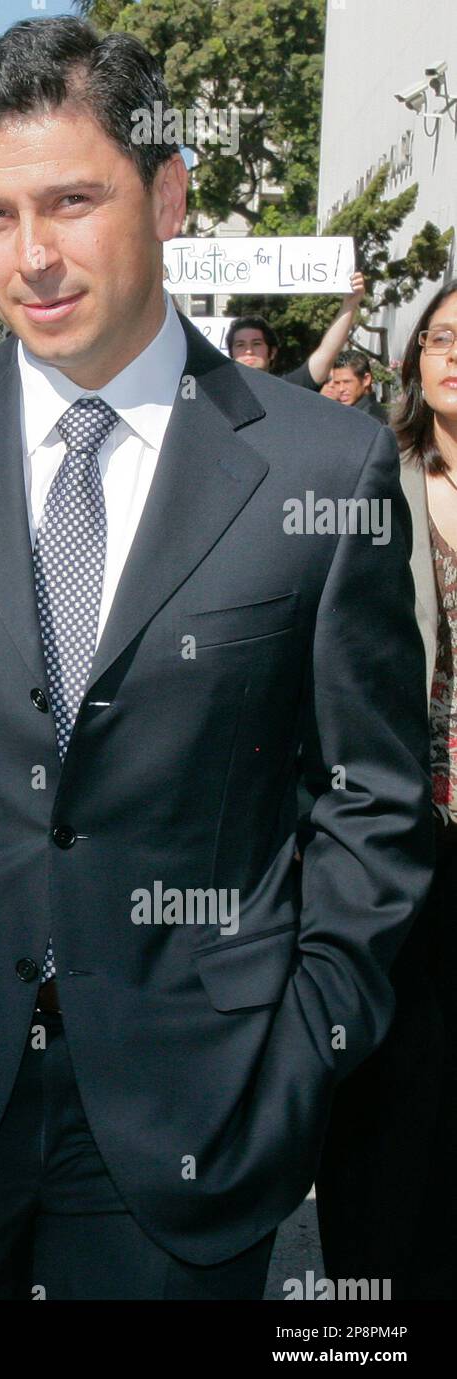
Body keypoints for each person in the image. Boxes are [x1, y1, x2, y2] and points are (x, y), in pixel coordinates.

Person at [0, 14, 434, 1300]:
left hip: (190, 1116)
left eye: (71, 201)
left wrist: (296, 1044)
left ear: (166, 194)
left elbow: (371, 802)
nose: (32, 256)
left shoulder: (316, 466)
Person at [316, 279, 457, 1299]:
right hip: (401, 824)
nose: (452, 354)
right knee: (393, 1081)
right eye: (438, 337)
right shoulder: (371, 473)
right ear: (408, 360)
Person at [226, 270, 367, 389]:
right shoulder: (217, 397)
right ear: (231, 352)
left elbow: (326, 353)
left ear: (272, 352)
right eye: (240, 345)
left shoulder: (287, 389)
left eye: (256, 343)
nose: (249, 351)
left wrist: (350, 304)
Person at [329, 348, 388, 421]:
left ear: (366, 380)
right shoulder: (346, 414)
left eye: (347, 382)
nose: (341, 389)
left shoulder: (372, 420)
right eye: (337, 383)